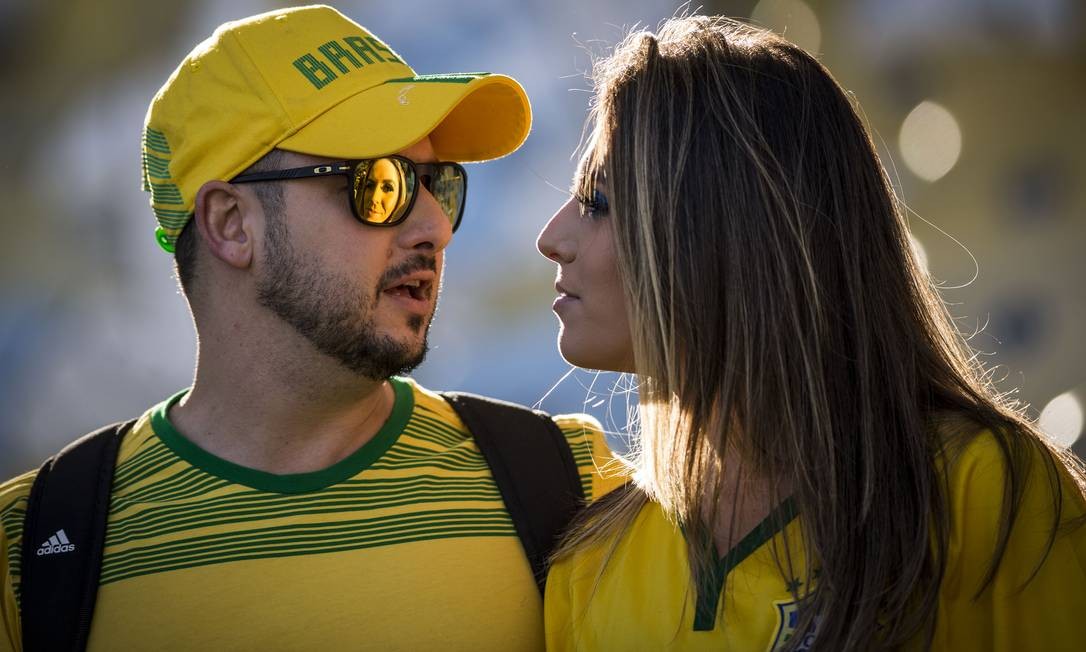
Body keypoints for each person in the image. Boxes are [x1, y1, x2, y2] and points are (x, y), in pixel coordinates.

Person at [0, 6, 616, 651]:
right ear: (232, 225)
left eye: (438, 185)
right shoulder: (38, 548)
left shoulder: (567, 485)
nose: (433, 227)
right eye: (380, 185)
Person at [537, 15, 1086, 651]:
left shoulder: (983, 490)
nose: (552, 240)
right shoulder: (590, 566)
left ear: (731, 232)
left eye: (598, 202)